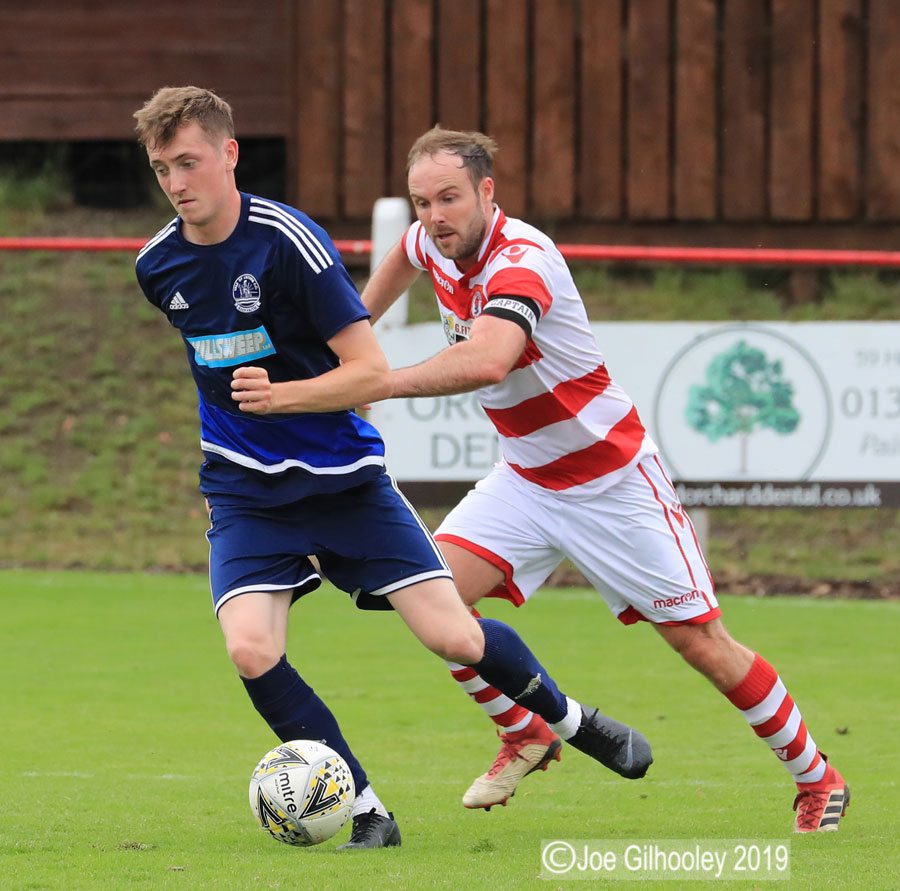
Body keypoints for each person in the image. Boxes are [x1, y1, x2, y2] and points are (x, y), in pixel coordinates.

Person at [132, 88, 653, 849]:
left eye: (189, 161)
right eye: (161, 168)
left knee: (455, 639)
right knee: (251, 648)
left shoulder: (289, 243)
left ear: (229, 154)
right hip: (244, 489)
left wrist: (283, 398)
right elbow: (215, 371)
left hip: (343, 480)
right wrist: (229, 453)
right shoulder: (157, 264)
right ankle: (368, 810)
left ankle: (571, 721)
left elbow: (369, 370)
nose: (177, 181)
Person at [360, 126, 849, 832]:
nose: (435, 216)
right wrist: (343, 348)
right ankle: (527, 730)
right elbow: (380, 286)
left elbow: (489, 359)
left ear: (486, 192)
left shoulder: (521, 259)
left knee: (703, 644)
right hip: (525, 480)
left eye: (450, 198)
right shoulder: (426, 242)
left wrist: (373, 380)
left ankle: (817, 776)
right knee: (423, 602)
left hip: (611, 482)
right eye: (422, 201)